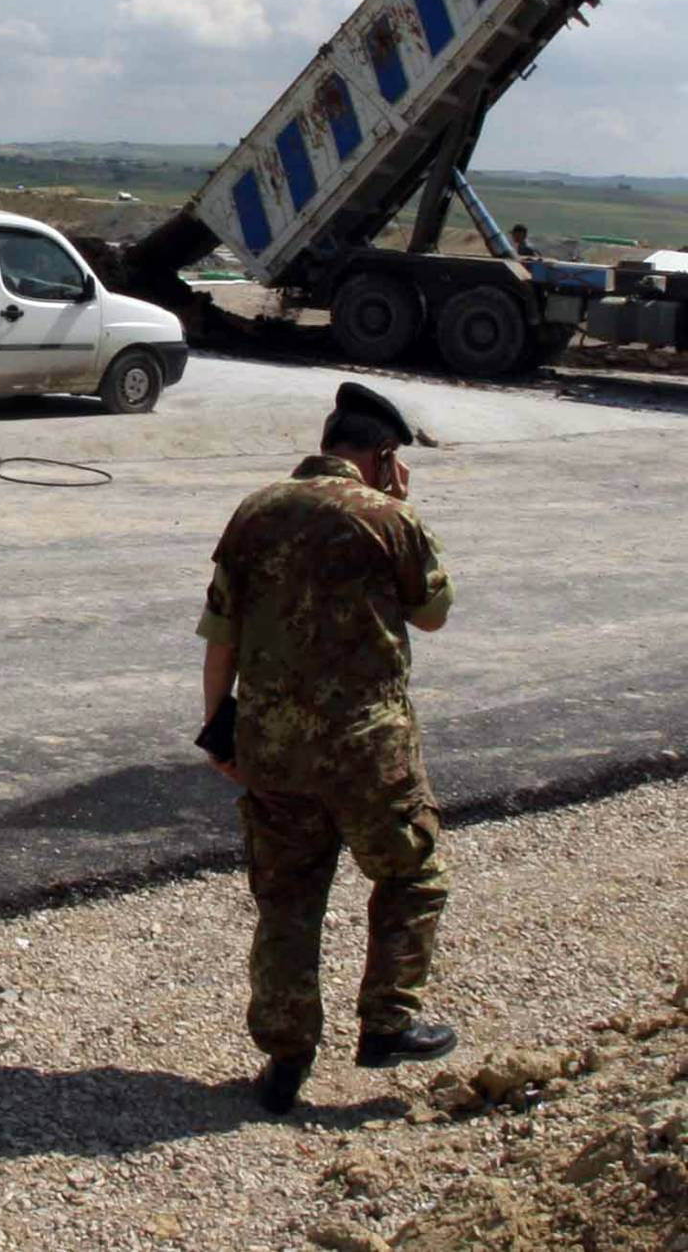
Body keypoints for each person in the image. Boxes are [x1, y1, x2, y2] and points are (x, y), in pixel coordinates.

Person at [196, 381, 456, 1114]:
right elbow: (433, 613)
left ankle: (284, 1058)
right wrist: (403, 507)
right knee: (412, 873)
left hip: (272, 746)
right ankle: (386, 1023)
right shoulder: (386, 516)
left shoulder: (255, 512)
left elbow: (222, 636)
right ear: (381, 457)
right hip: (367, 750)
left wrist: (219, 728)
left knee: (287, 897)